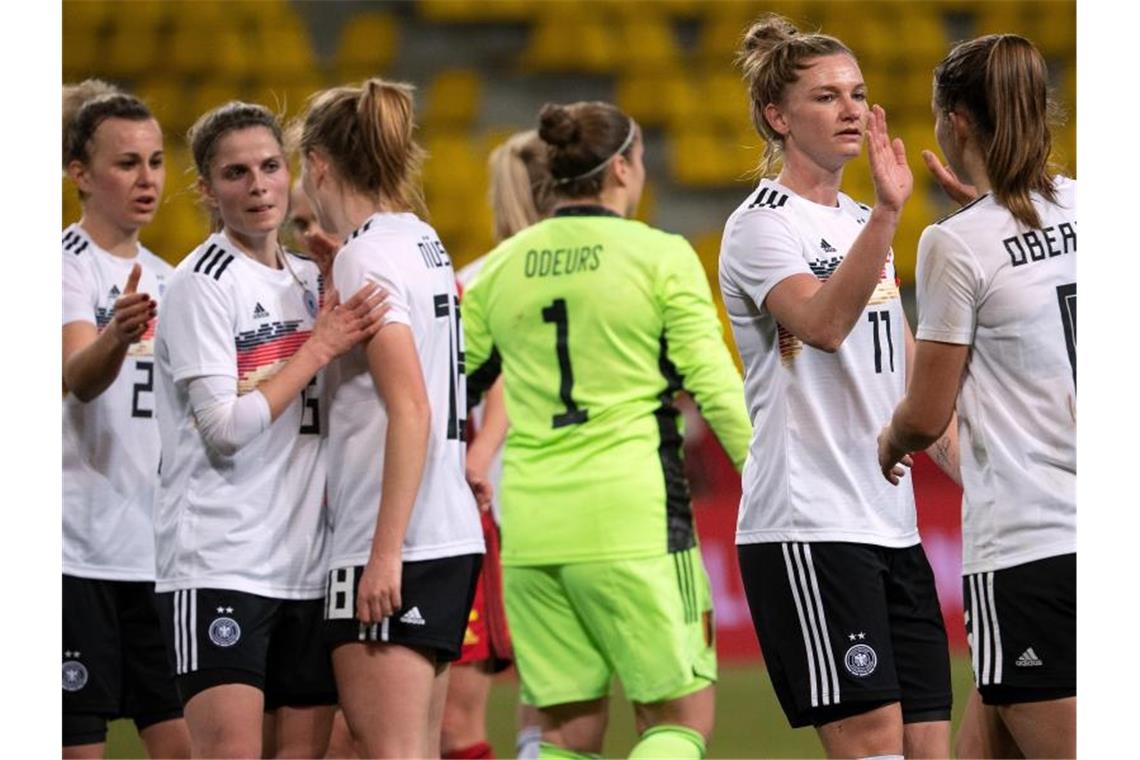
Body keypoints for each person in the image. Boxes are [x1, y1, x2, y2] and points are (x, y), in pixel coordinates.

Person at [463, 100, 753, 760]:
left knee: (565, 732)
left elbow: (454, 385)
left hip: (534, 527)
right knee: (680, 719)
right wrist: (768, 482)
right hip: (635, 519)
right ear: (621, 167)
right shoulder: (658, 256)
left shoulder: (504, 266)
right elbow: (714, 387)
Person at [717, 15, 958, 758]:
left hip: (894, 524)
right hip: (809, 524)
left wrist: (987, 483)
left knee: (928, 748)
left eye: (857, 93)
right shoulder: (761, 226)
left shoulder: (860, 222)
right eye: (826, 97)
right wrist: (889, 215)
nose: (851, 109)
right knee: (875, 746)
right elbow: (821, 327)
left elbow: (913, 383)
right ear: (777, 116)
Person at [152, 101, 385, 759]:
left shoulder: (314, 279)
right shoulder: (202, 284)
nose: (256, 187)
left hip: (306, 566)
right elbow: (223, 428)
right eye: (234, 174)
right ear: (206, 189)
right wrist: (316, 347)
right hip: (221, 558)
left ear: (291, 173)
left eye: (268, 167)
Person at [877, 33, 1076, 759]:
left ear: (955, 122)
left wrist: (890, 442)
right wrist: (988, 219)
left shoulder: (955, 243)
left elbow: (928, 413)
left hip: (1030, 550)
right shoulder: (1092, 206)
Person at [296, 78, 486, 759]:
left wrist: (383, 555)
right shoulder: (420, 240)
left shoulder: (365, 254)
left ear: (318, 162)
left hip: (394, 541)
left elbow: (410, 407)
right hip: (447, 531)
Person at [61, 79, 191, 760]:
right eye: (126, 163)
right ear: (80, 175)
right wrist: (116, 336)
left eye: (156, 161)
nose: (147, 179)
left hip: (156, 557)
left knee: (185, 745)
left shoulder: (171, 280)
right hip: (73, 555)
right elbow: (78, 379)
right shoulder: (61, 268)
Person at [443, 130, 554, 760]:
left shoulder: (470, 286)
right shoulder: (608, 272)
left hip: (489, 515)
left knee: (456, 718)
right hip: (578, 511)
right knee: (557, 711)